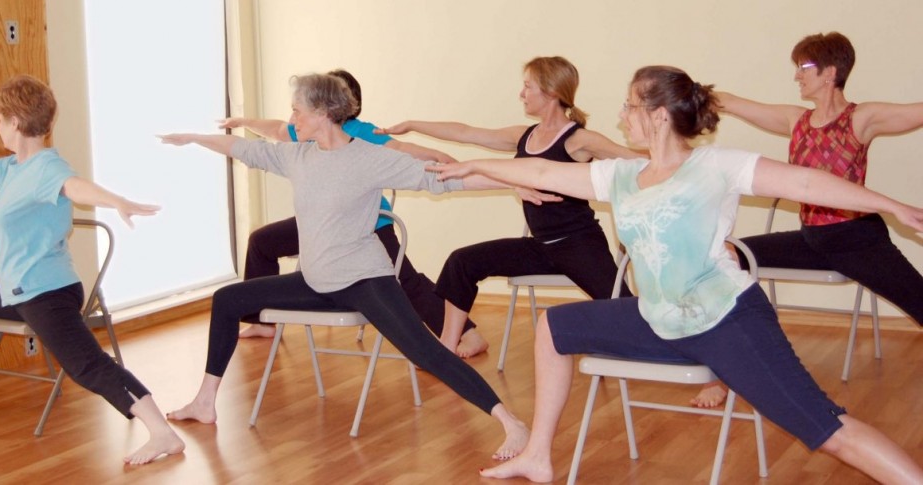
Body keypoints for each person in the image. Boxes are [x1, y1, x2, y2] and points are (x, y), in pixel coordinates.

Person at [427, 65, 923, 483]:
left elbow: (806, 180)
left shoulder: (716, 166)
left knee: (826, 429)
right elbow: (540, 173)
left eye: (629, 107)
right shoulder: (622, 176)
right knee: (554, 328)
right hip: (659, 319)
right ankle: (537, 454)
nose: (621, 115)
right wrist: (474, 167)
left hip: (728, 322)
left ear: (658, 116)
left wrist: (890, 205)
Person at [159, 73, 529, 460]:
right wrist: (195, 139)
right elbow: (242, 148)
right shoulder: (298, 156)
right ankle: (205, 401)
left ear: (322, 113)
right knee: (227, 299)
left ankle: (510, 423)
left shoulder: (368, 158)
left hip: (364, 281)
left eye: (297, 111)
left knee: (426, 352)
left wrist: (514, 181)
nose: (292, 118)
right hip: (316, 282)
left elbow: (445, 181)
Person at [0, 75, 183, 465]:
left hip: (46, 292)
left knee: (87, 366)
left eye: (0, 119)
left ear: (15, 122)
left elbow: (74, 187)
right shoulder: (13, 168)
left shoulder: (46, 168)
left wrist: (115, 199)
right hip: (20, 290)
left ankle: (163, 433)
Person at [690, 31, 923, 408]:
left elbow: (916, 111)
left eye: (805, 67)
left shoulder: (861, 118)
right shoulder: (795, 119)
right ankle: (720, 373)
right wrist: (678, 93)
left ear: (831, 72)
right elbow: (730, 102)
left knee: (919, 300)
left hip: (857, 240)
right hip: (810, 241)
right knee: (727, 255)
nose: (798, 75)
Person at [379, 56, 642, 358]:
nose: (521, 94)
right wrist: (413, 125)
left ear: (551, 92)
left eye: (528, 86)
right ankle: (446, 349)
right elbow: (466, 132)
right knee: (462, 262)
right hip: (540, 247)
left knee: (626, 307)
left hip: (579, 245)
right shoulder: (524, 136)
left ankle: (706, 372)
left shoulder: (579, 140)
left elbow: (632, 158)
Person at [218, 69, 480, 345]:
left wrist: (443, 160)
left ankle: (466, 333)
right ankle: (260, 320)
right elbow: (277, 129)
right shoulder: (311, 129)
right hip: (322, 225)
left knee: (406, 280)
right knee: (262, 241)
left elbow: (401, 148)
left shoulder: (360, 132)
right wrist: (243, 121)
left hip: (366, 225)